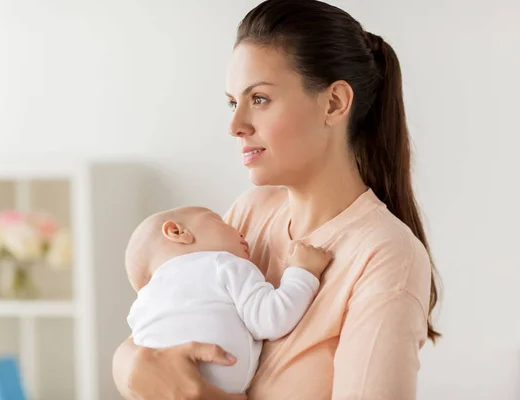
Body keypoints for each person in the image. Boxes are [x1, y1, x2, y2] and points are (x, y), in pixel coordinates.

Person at [112, 0, 440, 399]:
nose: (235, 125)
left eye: (260, 99)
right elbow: (155, 332)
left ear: (335, 102)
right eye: (233, 102)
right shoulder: (250, 214)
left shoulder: (385, 255)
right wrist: (128, 365)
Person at [124, 206, 332, 394]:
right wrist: (303, 271)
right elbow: (271, 319)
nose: (240, 232)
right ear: (178, 232)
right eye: (220, 221)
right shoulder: (222, 264)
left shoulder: (139, 308)